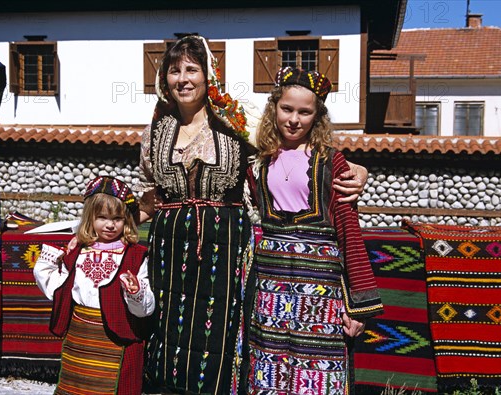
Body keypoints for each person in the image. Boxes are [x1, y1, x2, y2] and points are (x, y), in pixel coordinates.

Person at [135, 35, 369, 394]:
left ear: (208, 74)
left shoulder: (235, 123)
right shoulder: (157, 130)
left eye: (192, 69)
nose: (183, 78)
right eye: (174, 70)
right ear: (162, 77)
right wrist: (99, 223)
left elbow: (296, 155)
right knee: (169, 338)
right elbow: (155, 196)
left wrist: (357, 170)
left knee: (220, 343)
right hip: (175, 251)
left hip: (224, 252)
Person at [247, 67, 384, 394]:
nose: (294, 119)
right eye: (287, 109)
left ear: (317, 116)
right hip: (270, 291)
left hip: (321, 292)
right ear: (274, 108)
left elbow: (349, 230)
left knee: (319, 375)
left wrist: (358, 304)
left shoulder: (331, 162)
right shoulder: (258, 163)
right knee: (269, 372)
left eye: (304, 112)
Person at [33, 176, 154, 395]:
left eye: (117, 218)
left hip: (117, 339)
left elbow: (145, 308)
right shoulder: (78, 251)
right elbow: (57, 288)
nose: (110, 224)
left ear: (127, 219)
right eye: (102, 217)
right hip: (80, 338)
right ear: (90, 218)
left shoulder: (135, 256)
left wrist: (135, 292)